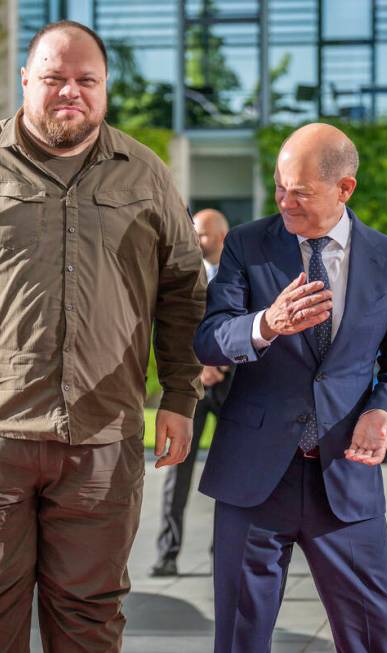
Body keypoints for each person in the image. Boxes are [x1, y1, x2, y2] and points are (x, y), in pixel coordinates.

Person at [0, 20, 205, 652]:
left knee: (90, 620)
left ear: (106, 88)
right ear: (26, 80)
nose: (70, 93)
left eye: (86, 80)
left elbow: (183, 291)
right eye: (54, 78)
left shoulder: (145, 175)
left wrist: (180, 396)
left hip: (102, 442)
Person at [194, 123, 387, 652]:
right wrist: (265, 325)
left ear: (344, 188)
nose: (284, 201)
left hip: (345, 477)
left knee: (371, 635)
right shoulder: (247, 245)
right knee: (238, 639)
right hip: (253, 478)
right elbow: (209, 339)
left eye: (299, 191)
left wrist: (383, 412)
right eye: (279, 186)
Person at [151, 209, 232, 578]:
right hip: (193, 381)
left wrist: (224, 364)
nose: (195, 240)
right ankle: (167, 554)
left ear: (221, 237)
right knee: (177, 469)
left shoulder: (240, 273)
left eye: (201, 234)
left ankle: (224, 554)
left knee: (231, 471)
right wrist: (200, 366)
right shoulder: (184, 273)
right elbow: (174, 324)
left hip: (232, 382)